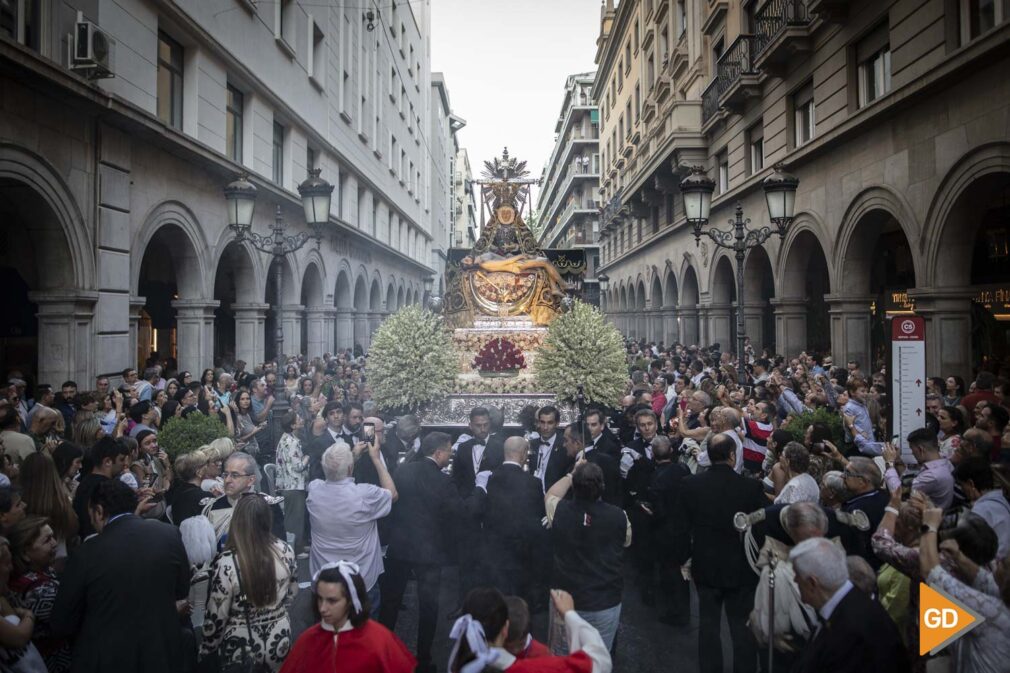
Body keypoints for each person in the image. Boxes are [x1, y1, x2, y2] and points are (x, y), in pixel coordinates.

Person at [52, 480, 191, 673]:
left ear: (99, 511)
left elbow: (62, 621)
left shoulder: (86, 553)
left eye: (90, 514)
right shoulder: (168, 534)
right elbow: (182, 589)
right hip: (161, 653)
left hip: (108, 659)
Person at [380, 432, 486, 673]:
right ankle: (424, 660)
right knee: (428, 607)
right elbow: (463, 512)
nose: (451, 456)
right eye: (449, 451)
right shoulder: (442, 481)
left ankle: (382, 651)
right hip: (429, 551)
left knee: (391, 602)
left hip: (400, 546)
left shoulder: (404, 470)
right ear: (438, 453)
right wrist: (480, 488)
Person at [674, 433, 766, 673]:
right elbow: (759, 530)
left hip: (705, 564)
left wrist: (686, 557)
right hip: (741, 567)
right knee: (741, 628)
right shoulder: (751, 487)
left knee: (708, 626)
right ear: (733, 455)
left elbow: (682, 527)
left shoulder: (691, 484)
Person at [200, 494, 297, 672]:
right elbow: (292, 592)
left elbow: (217, 615)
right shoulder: (286, 550)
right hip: (280, 636)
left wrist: (206, 650)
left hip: (242, 644)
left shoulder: (227, 562)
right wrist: (276, 611)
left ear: (237, 522)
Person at [790, 537, 910, 672]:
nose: (794, 580)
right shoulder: (849, 605)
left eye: (797, 576)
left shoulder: (851, 632)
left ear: (812, 583)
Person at [545, 461, 629, 652]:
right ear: (602, 487)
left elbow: (551, 494)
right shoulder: (620, 516)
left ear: (574, 486)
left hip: (566, 601)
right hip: (605, 602)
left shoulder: (558, 510)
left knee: (563, 661)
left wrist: (571, 473)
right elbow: (626, 540)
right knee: (597, 659)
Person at [920, 505, 1010, 673]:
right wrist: (959, 556)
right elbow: (985, 579)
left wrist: (929, 526)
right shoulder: (1001, 592)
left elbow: (930, 571)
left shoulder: (994, 613)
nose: (998, 561)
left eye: (1003, 564)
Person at [280, 561, 415, 673]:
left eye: (332, 601)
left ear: (351, 600)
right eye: (320, 599)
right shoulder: (308, 640)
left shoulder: (379, 641)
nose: (322, 608)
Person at [306, 441, 395, 608]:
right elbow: (393, 494)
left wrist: (351, 456)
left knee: (328, 629)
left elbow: (334, 472)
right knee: (363, 632)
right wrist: (376, 458)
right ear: (350, 469)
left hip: (324, 578)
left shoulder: (314, 490)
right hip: (361, 578)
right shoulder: (365, 494)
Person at [446, 587, 611, 673]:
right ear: (505, 628)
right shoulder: (538, 669)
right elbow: (599, 661)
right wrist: (569, 614)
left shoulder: (457, 663)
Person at [483, 437, 546, 601]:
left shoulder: (489, 479)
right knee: (520, 598)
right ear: (525, 453)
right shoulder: (534, 483)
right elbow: (538, 515)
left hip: (494, 548)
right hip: (522, 551)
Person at [7, 516, 70, 672]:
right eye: (47, 540)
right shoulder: (38, 592)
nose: (55, 543)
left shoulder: (41, 570)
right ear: (25, 553)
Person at [644, 435, 692, 626]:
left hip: (665, 533)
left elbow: (659, 511)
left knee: (669, 573)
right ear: (670, 451)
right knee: (682, 573)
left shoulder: (656, 478)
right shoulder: (683, 470)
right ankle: (683, 610)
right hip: (683, 529)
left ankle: (675, 611)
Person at [201, 452, 285, 548]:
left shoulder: (268, 506)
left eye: (235, 475)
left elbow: (279, 549)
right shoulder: (213, 507)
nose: (227, 480)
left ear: (251, 480)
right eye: (225, 474)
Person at [19, 453, 78, 568]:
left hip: (27, 564)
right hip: (58, 562)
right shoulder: (61, 503)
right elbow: (73, 529)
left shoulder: (20, 504)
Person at [71, 437, 131, 539]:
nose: (125, 464)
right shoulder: (106, 488)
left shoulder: (85, 483)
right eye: (121, 459)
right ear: (107, 461)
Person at [839, 456, 891, 571]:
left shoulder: (858, 510)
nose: (842, 476)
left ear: (862, 482)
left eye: (848, 473)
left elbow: (855, 548)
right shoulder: (883, 496)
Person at [956, 457, 1010, 561]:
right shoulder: (1000, 500)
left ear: (971, 484)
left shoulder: (981, 510)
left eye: (962, 486)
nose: (962, 490)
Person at [275, 410, 310, 555]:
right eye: (299, 418)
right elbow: (298, 466)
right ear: (293, 425)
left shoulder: (285, 438)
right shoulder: (292, 442)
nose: (301, 419)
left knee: (295, 517)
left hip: (288, 484)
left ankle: (299, 545)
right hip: (294, 485)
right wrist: (307, 458)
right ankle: (294, 549)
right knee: (295, 518)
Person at [165, 450, 211, 527]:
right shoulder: (203, 496)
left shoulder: (178, 491)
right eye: (206, 464)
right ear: (199, 472)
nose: (208, 467)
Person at [503, 596, 550, 660]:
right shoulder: (491, 654)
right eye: (508, 647)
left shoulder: (544, 654)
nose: (515, 650)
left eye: (520, 644)